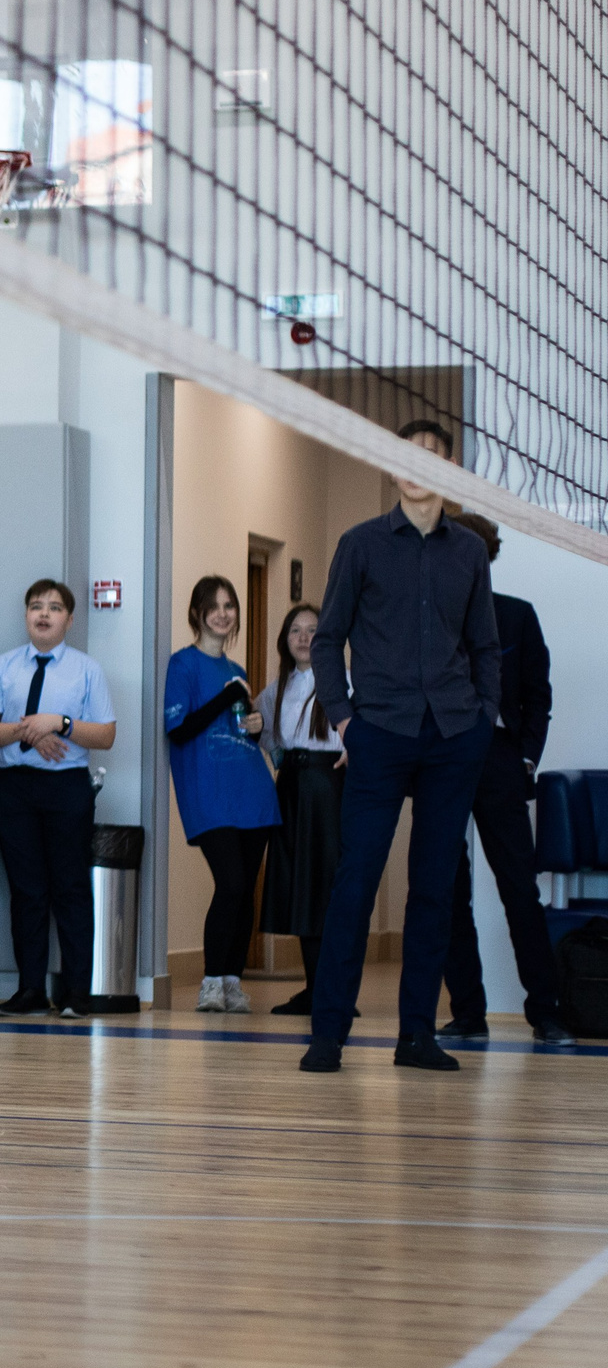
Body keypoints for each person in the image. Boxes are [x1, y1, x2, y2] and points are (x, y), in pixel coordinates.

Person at [301, 421, 500, 1074]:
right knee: (356, 880)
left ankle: (416, 1035)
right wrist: (344, 720)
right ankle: (328, 1033)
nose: (415, 467)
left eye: (429, 457)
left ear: (447, 469)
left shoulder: (469, 552)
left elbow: (485, 646)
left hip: (453, 734)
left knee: (434, 888)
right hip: (379, 732)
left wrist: (482, 719)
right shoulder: (359, 544)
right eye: (404, 456)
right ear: (390, 467)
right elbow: (327, 639)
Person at [438, 514, 570, 1044]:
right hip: (444, 757)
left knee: (519, 888)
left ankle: (546, 1012)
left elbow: (539, 697)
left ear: (487, 556)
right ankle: (468, 1012)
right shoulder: (430, 619)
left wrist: (525, 761)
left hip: (498, 757)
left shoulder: (517, 615)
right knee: (446, 890)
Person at [0, 580, 117, 1018]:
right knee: (27, 891)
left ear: (69, 620)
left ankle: (76, 992)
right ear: (26, 615)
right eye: (36, 606)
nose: (43, 614)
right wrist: (31, 730)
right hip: (14, 787)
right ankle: (30, 989)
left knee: (71, 888)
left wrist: (60, 723)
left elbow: (105, 735)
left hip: (67, 787)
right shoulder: (4, 666)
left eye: (54, 608)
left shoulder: (87, 669)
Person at [165, 576, 282, 1014]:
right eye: (213, 606)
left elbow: (237, 732)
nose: (222, 613)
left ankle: (233, 982)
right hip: (209, 795)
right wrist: (225, 697)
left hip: (253, 793)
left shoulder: (237, 671)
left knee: (245, 889)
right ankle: (211, 981)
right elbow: (179, 730)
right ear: (197, 613)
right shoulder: (183, 664)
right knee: (230, 883)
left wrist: (255, 726)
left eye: (229, 605)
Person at [255, 604, 336, 1014]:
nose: (304, 638)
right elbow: (262, 730)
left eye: (312, 630)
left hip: (328, 788)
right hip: (290, 787)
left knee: (327, 882)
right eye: (295, 631)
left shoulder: (343, 682)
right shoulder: (277, 689)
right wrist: (276, 757)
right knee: (300, 884)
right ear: (284, 640)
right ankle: (314, 987)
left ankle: (334, 989)